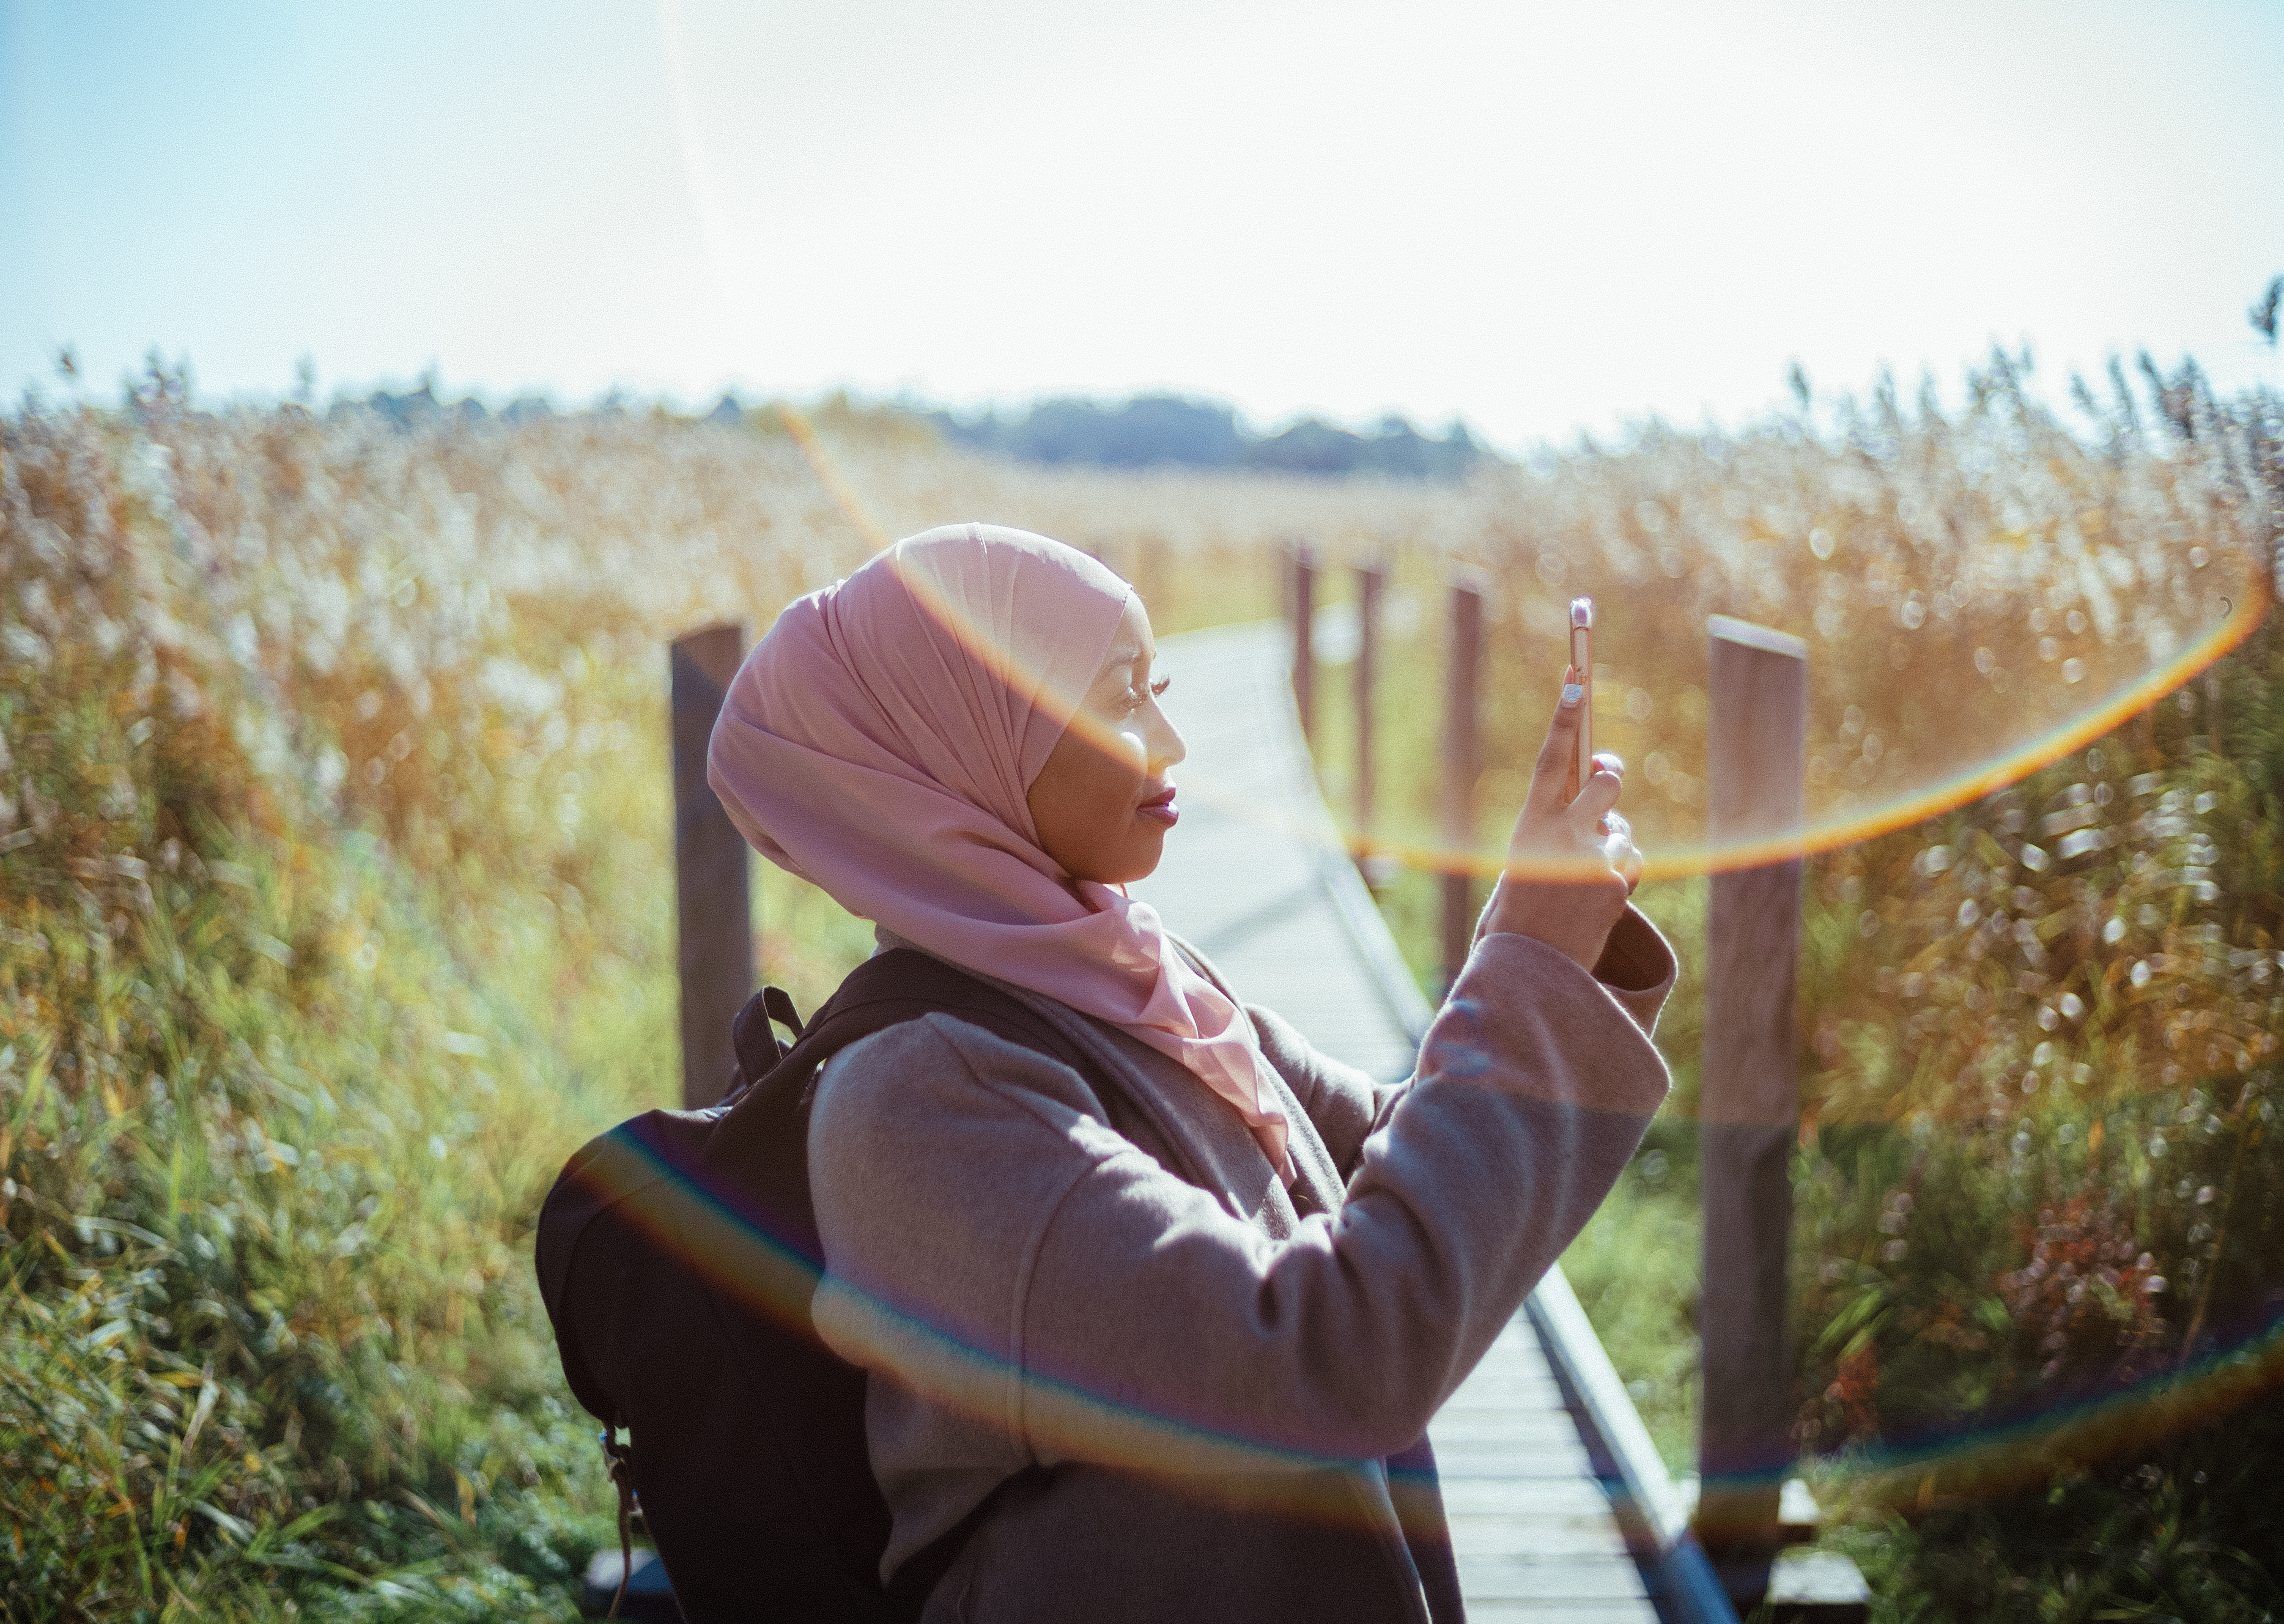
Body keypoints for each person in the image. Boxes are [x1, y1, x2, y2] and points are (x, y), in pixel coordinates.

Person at [707, 523, 1671, 1624]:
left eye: (1156, 686)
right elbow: (1322, 1357)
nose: (1170, 742)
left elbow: (1374, 1158)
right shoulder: (926, 1100)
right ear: (968, 742)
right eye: (1121, 697)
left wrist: (1545, 945)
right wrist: (1526, 967)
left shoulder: (1133, 978)